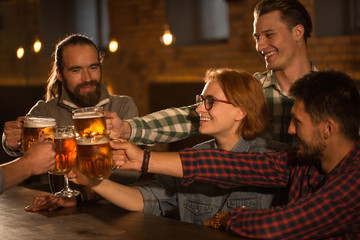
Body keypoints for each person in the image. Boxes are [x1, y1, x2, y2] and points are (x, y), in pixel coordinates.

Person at [109, 70, 360, 239]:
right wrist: (143, 160)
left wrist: (226, 218)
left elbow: (278, 225)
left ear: (327, 129)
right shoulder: (302, 162)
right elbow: (233, 166)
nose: (290, 129)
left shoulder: (354, 183)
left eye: (297, 122)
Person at [27, 68, 287, 221]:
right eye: (200, 99)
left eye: (209, 101)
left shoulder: (274, 158)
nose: (198, 108)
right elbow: (145, 200)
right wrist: (93, 181)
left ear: (241, 111)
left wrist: (143, 159)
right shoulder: (193, 154)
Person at [107, 0, 316, 148]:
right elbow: (188, 117)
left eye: (269, 35)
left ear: (297, 32)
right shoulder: (253, 89)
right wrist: (127, 128)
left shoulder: (331, 94)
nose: (260, 45)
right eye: (257, 37)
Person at [2, 34, 139, 200]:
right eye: (76, 70)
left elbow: (132, 173)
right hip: (63, 211)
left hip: (120, 210)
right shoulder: (47, 110)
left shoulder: (123, 106)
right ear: (60, 74)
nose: (87, 78)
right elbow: (23, 148)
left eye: (93, 67)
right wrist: (11, 140)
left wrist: (85, 194)